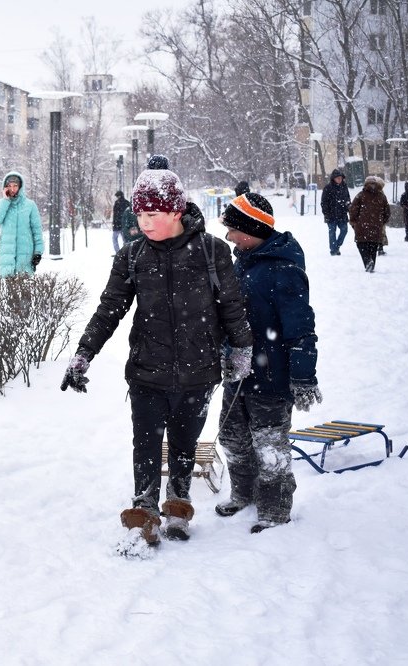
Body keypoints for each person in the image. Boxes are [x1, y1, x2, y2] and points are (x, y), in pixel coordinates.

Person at [60, 156, 253, 546]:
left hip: (199, 371)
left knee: (184, 443)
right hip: (147, 370)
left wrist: (242, 350)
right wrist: (83, 353)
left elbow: (232, 307)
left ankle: (178, 504)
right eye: (140, 214)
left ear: (176, 210)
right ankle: (144, 510)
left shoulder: (211, 252)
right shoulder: (133, 255)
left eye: (153, 214)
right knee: (146, 443)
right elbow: (110, 308)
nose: (144, 222)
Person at [216, 193, 320, 533]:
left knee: (270, 447)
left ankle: (274, 509)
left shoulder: (283, 268)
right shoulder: (242, 261)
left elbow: (301, 327)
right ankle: (243, 493)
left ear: (251, 227)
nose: (229, 236)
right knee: (232, 437)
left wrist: (303, 376)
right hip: (238, 372)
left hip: (271, 376)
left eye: (233, 229)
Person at [0, 171, 43, 277]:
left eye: (15, 185)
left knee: (25, 291)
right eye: (9, 186)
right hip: (6, 258)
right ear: (5, 187)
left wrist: (38, 252)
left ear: (20, 186)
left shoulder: (30, 205)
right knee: (6, 292)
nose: (12, 189)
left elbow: (37, 231)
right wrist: (5, 201)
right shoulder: (1, 204)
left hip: (25, 257)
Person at [348, 176, 391, 273]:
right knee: (373, 246)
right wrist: (381, 222)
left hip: (362, 226)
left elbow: (353, 209)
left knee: (361, 244)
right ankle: (371, 264)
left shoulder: (360, 195)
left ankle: (368, 262)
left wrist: (354, 222)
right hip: (376, 227)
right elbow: (387, 212)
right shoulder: (382, 196)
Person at [320, 168, 351, 256]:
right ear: (333, 178)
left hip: (342, 214)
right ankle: (333, 250)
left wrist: (348, 206)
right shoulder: (327, 188)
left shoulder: (344, 187)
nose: (339, 179)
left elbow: (348, 198)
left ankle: (337, 246)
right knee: (332, 232)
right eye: (337, 178)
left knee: (344, 230)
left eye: (340, 178)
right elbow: (324, 202)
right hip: (331, 214)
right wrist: (326, 213)